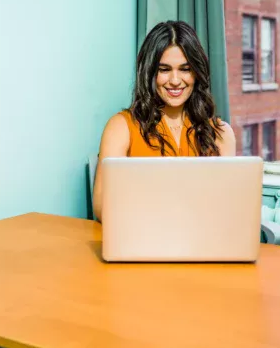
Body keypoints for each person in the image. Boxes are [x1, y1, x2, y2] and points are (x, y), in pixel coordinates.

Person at [92, 20, 236, 221]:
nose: (175, 80)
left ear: (197, 72)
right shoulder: (121, 127)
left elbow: (228, 206)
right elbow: (101, 207)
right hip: (142, 238)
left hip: (203, 242)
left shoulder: (221, 133)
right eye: (164, 69)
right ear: (150, 73)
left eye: (185, 69)